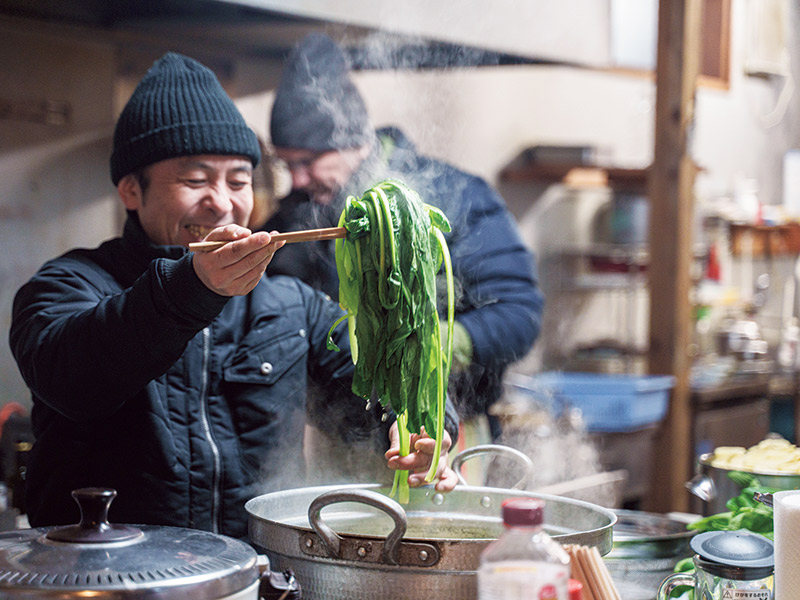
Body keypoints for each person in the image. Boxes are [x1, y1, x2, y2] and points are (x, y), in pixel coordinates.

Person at [8, 52, 458, 540]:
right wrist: (193, 288)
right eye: (195, 179)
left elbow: (380, 390)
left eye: (239, 181)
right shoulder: (68, 284)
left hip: (258, 575)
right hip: (104, 580)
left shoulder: (289, 304)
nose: (222, 202)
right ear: (130, 190)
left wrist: (423, 431)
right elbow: (72, 378)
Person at [264, 33, 544, 441]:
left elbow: (519, 312)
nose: (298, 179)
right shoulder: (294, 219)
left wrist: (423, 347)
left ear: (353, 140)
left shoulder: (455, 195)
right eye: (288, 164)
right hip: (337, 440)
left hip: (445, 433)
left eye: (308, 161)